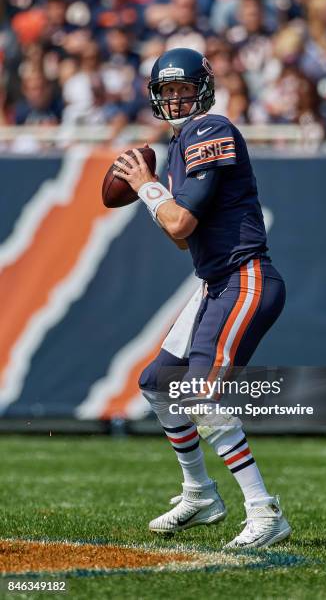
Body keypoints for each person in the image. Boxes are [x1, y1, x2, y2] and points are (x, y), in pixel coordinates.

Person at [110, 47, 291, 549]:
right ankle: (200, 493)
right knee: (156, 384)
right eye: (167, 91)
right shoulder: (179, 147)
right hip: (217, 281)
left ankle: (264, 510)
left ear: (202, 89)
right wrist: (155, 193)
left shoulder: (210, 130)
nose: (176, 98)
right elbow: (181, 236)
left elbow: (180, 222)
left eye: (184, 88)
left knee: (199, 393)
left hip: (245, 277)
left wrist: (145, 187)